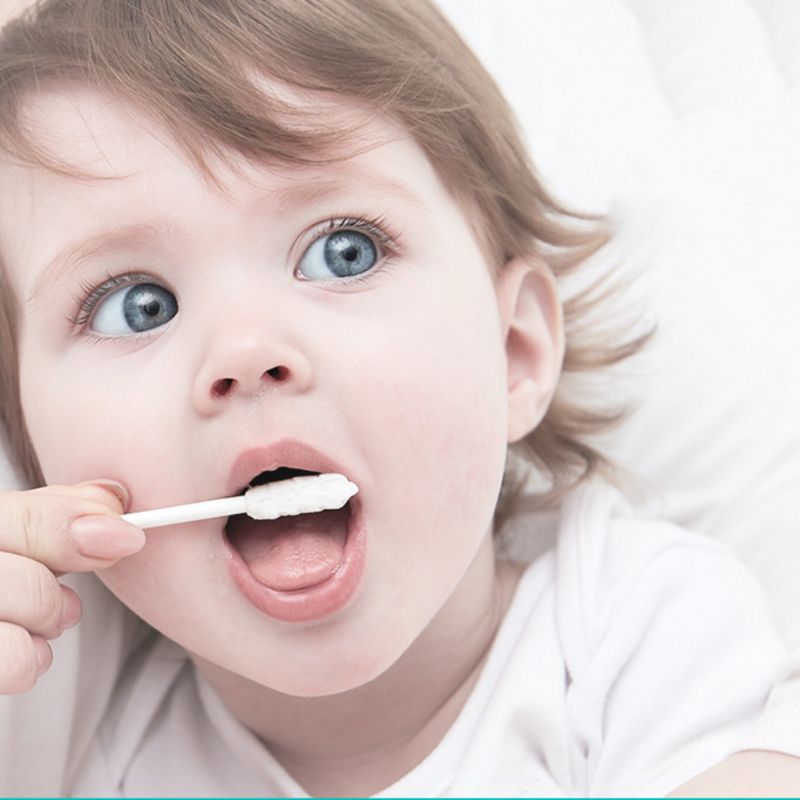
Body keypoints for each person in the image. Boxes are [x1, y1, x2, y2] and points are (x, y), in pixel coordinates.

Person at [0, 0, 797, 795]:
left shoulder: (638, 637)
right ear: (34, 460)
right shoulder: (79, 757)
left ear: (514, 352)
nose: (245, 354)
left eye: (342, 252)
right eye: (137, 305)